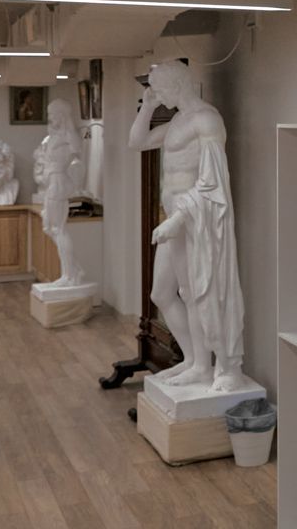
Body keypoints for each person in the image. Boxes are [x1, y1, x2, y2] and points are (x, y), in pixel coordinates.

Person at [129, 60, 247, 393]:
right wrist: (147, 106)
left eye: (159, 89)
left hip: (195, 219)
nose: (158, 95)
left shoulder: (206, 120)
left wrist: (177, 220)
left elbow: (212, 181)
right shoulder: (178, 120)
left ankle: (204, 367)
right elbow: (137, 142)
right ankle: (195, 360)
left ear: (176, 84)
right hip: (174, 219)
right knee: (162, 293)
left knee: (195, 293)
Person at [35, 101, 85, 285]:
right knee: (48, 227)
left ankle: (69, 276)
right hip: (51, 184)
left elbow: (76, 155)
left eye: (52, 114)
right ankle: (75, 269)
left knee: (59, 229)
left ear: (62, 115)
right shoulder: (53, 136)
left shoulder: (68, 136)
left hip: (58, 184)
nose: (50, 118)